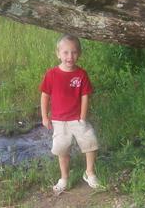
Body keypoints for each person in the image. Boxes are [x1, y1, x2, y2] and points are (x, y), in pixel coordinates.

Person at [40, 34, 102, 194]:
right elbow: (45, 95)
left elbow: (85, 96)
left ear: (79, 54)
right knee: (62, 149)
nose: (70, 56)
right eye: (66, 52)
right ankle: (64, 178)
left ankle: (89, 173)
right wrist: (45, 116)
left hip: (77, 119)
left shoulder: (81, 74)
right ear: (58, 53)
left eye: (74, 52)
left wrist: (82, 116)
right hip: (59, 121)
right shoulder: (51, 74)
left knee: (91, 142)